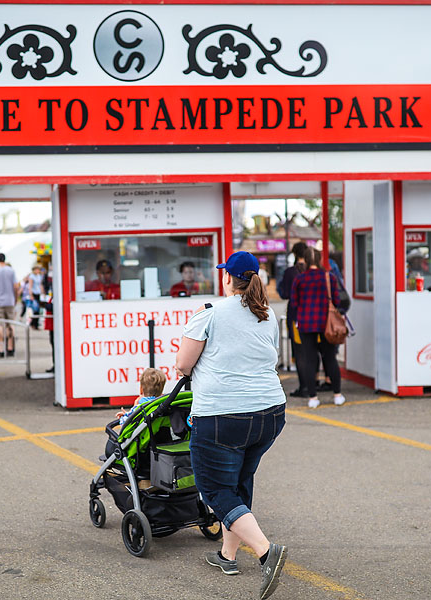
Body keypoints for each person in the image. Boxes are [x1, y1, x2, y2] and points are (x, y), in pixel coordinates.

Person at [175, 250, 288, 600]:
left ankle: (267, 552)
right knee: (238, 482)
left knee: (215, 489)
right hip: (270, 413)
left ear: (227, 278)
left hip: (222, 416)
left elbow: (183, 365)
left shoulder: (209, 312)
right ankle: (227, 555)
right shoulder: (266, 314)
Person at [289, 247, 345, 408]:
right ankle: (337, 395)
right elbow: (337, 300)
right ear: (320, 259)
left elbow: (294, 302)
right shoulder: (329, 277)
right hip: (326, 323)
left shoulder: (300, 279)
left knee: (310, 359)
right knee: (330, 357)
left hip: (306, 323)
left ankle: (313, 397)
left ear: (305, 260)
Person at [276, 241, 309, 397]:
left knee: (299, 352)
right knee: (312, 351)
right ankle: (313, 384)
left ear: (294, 254)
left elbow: (284, 293)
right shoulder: (313, 270)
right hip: (313, 314)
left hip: (296, 315)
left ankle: (304, 387)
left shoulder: (291, 272)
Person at [0, 253, 19, 358]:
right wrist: (15, 298)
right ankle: (10, 347)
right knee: (10, 324)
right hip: (10, 301)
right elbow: (16, 286)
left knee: (0, 325)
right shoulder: (11, 271)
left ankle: (1, 348)